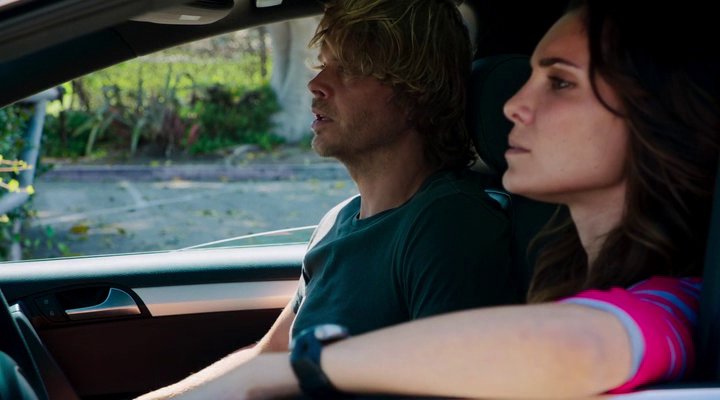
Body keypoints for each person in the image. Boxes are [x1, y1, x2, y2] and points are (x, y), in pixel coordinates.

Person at [139, 0, 720, 398]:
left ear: (656, 119)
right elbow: (267, 355)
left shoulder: (679, 308)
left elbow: (584, 345)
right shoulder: (563, 276)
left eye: (560, 82)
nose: (512, 105)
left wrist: (301, 370)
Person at [137, 0, 513, 398]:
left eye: (348, 68)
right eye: (323, 63)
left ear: (415, 92)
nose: (316, 83)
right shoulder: (338, 221)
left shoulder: (448, 226)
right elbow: (268, 356)